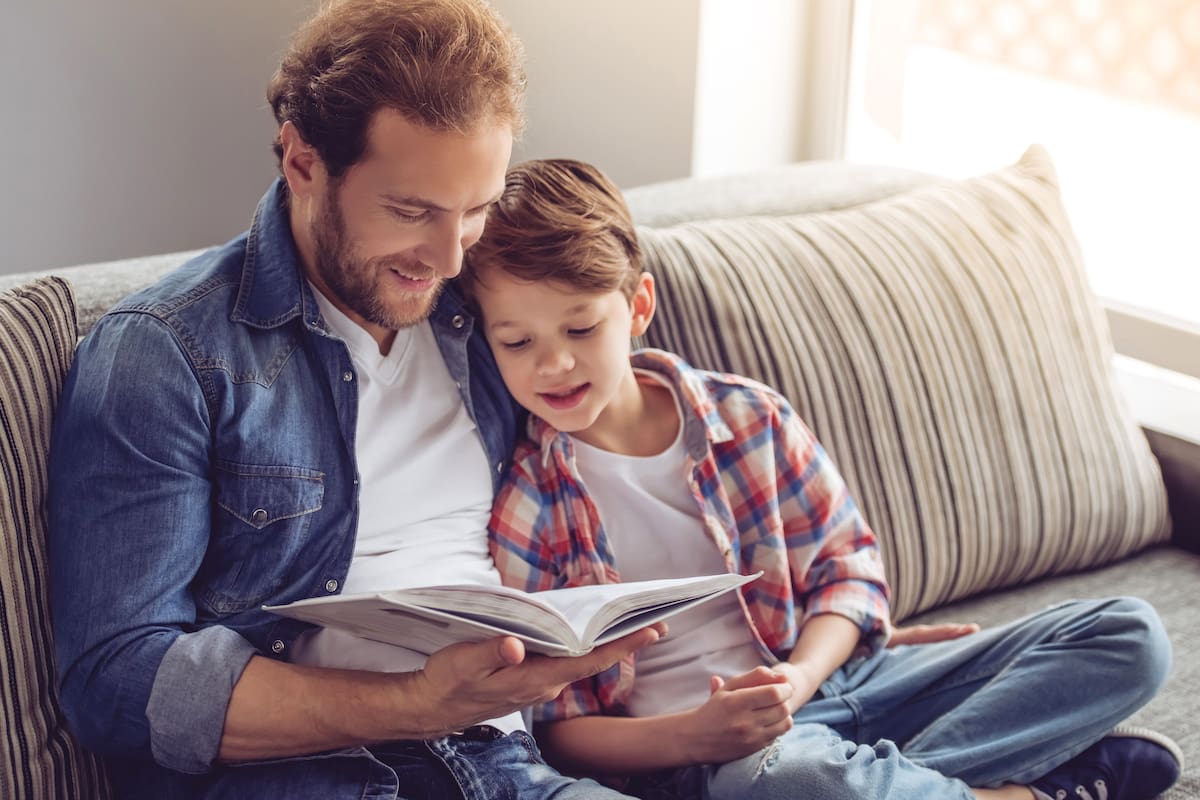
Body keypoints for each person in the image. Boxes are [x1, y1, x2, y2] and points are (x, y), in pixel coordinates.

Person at [46, 3, 668, 799]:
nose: (447, 257)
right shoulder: (167, 354)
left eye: (472, 212)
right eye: (411, 211)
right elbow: (116, 679)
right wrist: (413, 705)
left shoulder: (488, 315)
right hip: (309, 778)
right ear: (303, 163)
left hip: (507, 764)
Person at [462, 157, 1184, 800]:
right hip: (717, 757)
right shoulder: (530, 507)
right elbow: (554, 726)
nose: (552, 364)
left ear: (638, 307)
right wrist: (696, 737)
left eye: (580, 329)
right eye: (518, 342)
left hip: (839, 681)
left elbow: (849, 575)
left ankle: (894, 782)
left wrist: (805, 674)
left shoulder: (748, 418)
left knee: (1128, 635)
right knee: (789, 777)